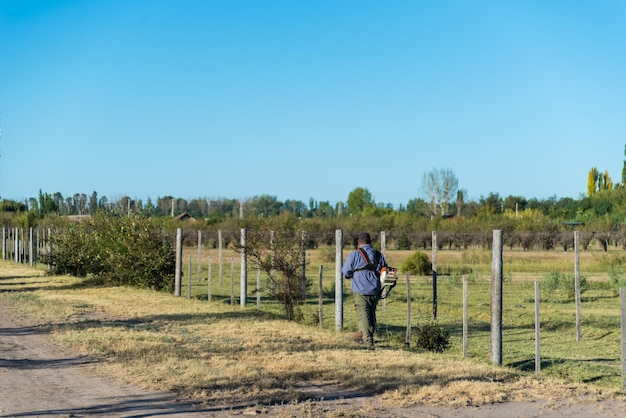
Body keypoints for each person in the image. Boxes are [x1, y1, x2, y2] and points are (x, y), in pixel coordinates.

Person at [341, 232, 389, 350]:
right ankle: (367, 337)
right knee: (371, 315)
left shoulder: (355, 254)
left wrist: (353, 275)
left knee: (363, 315)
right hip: (375, 290)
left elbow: (346, 271)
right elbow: (385, 271)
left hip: (360, 289)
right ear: (370, 242)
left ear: (359, 243)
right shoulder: (379, 255)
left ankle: (368, 342)